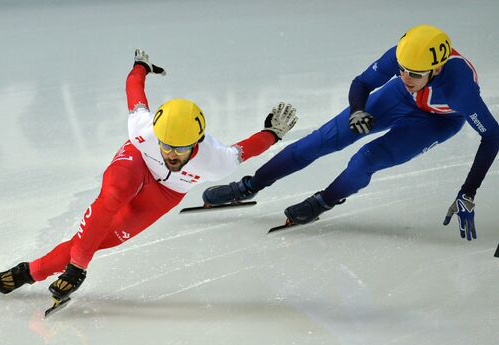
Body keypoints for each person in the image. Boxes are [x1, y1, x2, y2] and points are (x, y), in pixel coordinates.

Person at [0, 49, 298, 301]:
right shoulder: (143, 131)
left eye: (181, 149)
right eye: (166, 146)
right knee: (113, 195)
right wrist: (141, 66)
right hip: (136, 163)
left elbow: (247, 149)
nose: (172, 154)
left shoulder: (216, 160)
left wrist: (272, 132)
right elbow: (134, 91)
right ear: (156, 136)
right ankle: (77, 268)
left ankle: (29, 272)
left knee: (106, 237)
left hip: (165, 194)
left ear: (198, 143)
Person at [203, 24, 499, 241]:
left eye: (415, 74)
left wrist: (468, 192)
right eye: (403, 70)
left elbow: (492, 135)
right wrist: (357, 109)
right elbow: (361, 82)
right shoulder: (404, 59)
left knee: (365, 160)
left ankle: (325, 200)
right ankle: (250, 185)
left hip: (436, 121)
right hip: (397, 99)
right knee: (320, 140)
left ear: (436, 69)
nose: (406, 77)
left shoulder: (461, 92)